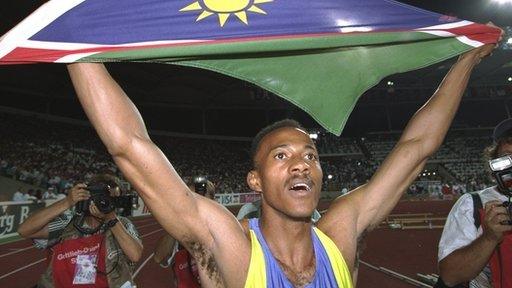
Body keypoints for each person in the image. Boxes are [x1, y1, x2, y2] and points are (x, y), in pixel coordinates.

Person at [67, 37, 497, 287]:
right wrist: (73, 46)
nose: (300, 163)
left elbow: (416, 147)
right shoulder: (233, 250)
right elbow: (129, 145)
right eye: (281, 155)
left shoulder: (340, 236)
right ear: (254, 180)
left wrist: (466, 60)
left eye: (310, 154)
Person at [17, 173, 143, 288]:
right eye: (103, 197)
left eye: (113, 200)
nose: (106, 202)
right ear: (89, 196)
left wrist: (111, 219)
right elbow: (24, 230)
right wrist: (67, 202)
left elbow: (135, 255)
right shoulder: (69, 222)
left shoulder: (123, 224)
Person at [437, 118, 512, 288]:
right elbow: (450, 276)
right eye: (506, 157)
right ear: (494, 165)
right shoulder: (472, 205)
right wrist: (489, 237)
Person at [153, 177, 217, 288]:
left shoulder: (222, 229)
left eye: (201, 196)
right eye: (190, 197)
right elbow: (159, 257)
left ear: (213, 200)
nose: (195, 202)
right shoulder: (179, 232)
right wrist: (176, 222)